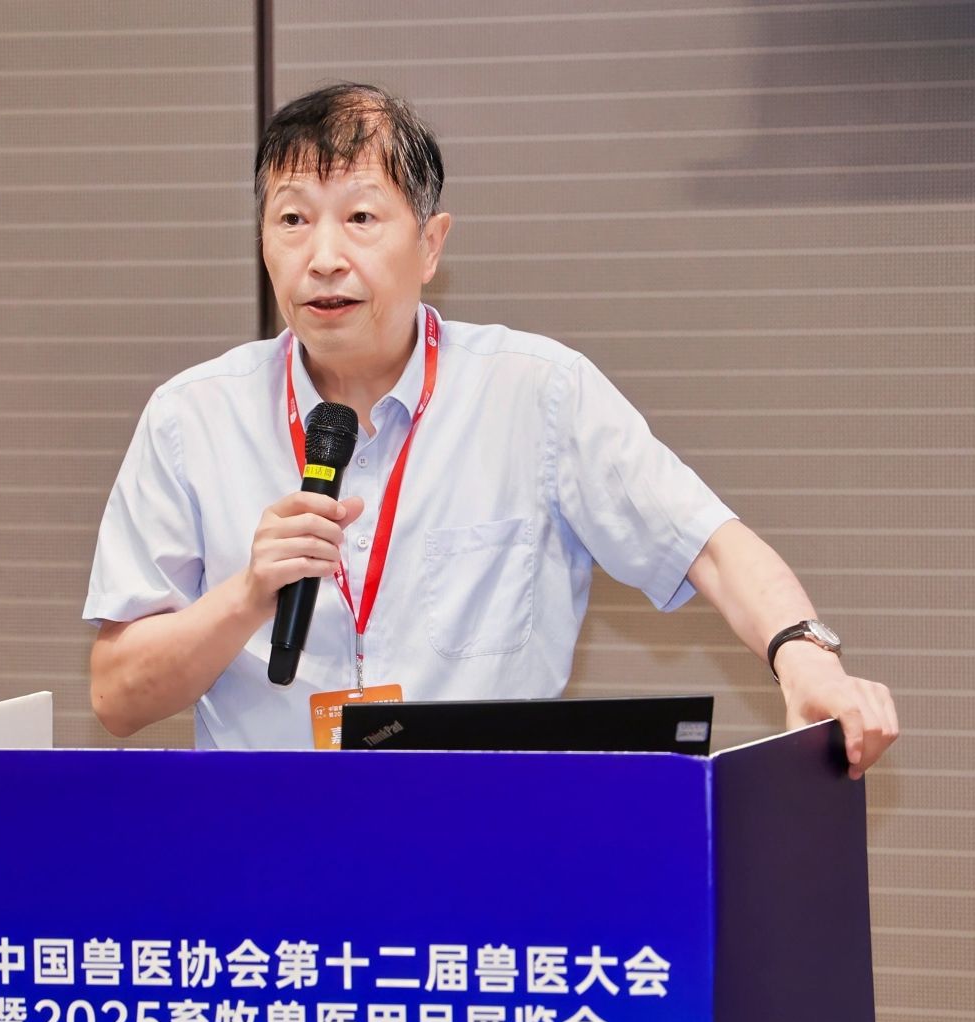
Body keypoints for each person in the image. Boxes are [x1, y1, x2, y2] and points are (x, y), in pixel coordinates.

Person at [85, 83, 898, 773]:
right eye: (292, 220)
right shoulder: (191, 418)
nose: (323, 256)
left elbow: (708, 546)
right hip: (268, 852)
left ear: (430, 244)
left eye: (361, 216)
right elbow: (118, 697)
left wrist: (806, 656)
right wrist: (245, 596)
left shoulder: (536, 394)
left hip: (484, 849)